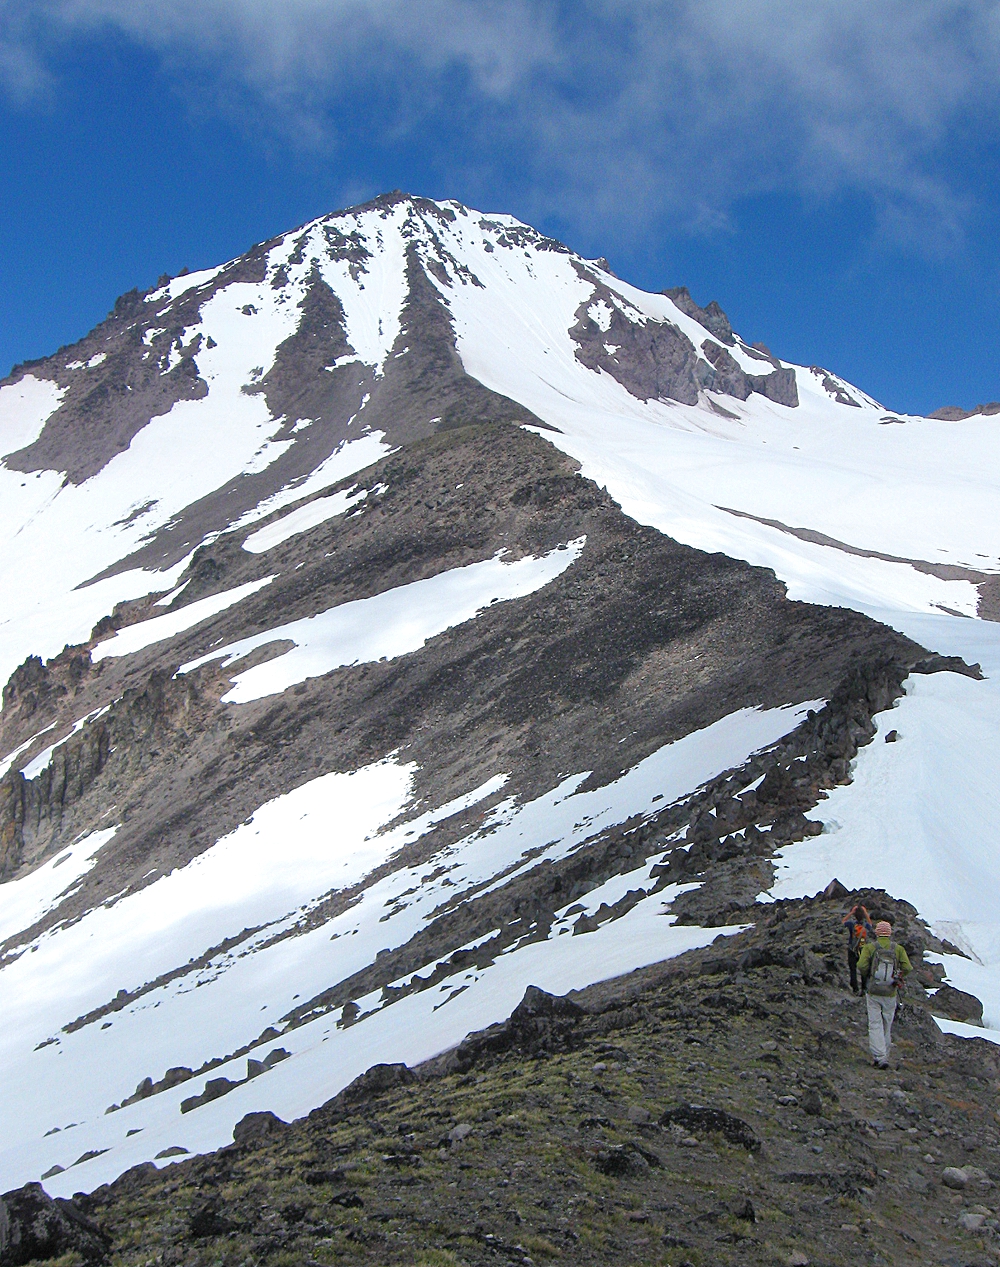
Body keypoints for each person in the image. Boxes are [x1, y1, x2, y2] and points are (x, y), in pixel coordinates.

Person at [858, 919, 912, 1068]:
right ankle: (885, 1056)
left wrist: (868, 975)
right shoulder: (898, 949)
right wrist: (899, 976)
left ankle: (879, 1057)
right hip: (890, 992)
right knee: (887, 1025)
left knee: (875, 1024)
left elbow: (861, 965)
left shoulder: (870, 947)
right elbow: (908, 967)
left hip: (873, 991)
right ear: (889, 933)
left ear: (876, 933)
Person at [841, 903, 874, 994]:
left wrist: (851, 913)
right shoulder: (865, 925)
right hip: (863, 949)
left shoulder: (851, 924)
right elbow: (871, 924)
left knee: (853, 969)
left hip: (852, 948)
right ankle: (864, 988)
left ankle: (855, 988)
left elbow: (843, 921)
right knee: (863, 968)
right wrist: (866, 913)